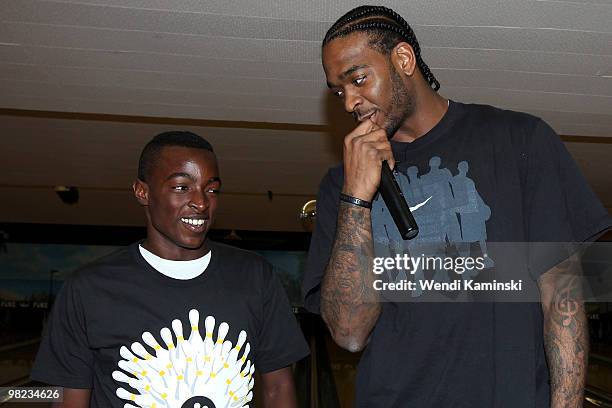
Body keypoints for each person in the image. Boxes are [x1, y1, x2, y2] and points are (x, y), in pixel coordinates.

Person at [302, 5, 611, 407]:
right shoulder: (339, 188)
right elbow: (349, 334)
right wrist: (357, 197)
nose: (349, 103)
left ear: (403, 59)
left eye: (358, 79)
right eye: (340, 91)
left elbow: (562, 294)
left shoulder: (520, 141)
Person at [32, 131, 309, 408]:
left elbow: (278, 388)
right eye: (182, 187)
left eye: (211, 189)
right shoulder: (88, 289)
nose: (201, 203)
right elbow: (70, 401)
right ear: (142, 192)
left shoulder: (255, 276)